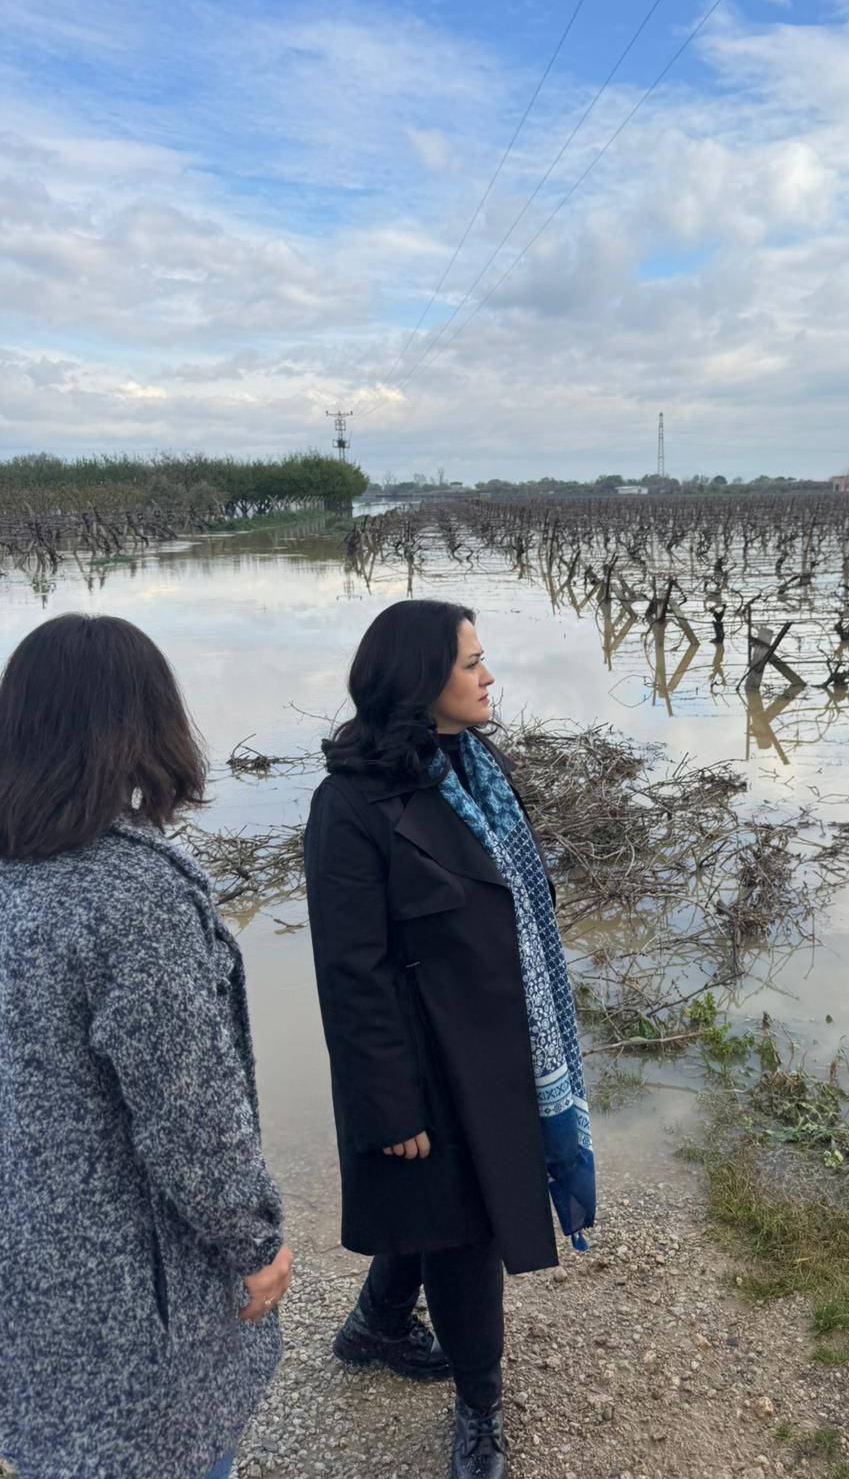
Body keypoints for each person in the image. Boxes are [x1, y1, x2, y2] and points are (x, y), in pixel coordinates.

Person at [304, 598, 595, 1479]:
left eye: (483, 659)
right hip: (428, 1066)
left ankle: (378, 1322)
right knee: (464, 1229)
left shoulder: (473, 769)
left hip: (497, 1049)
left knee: (437, 1206)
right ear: (421, 678)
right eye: (471, 662)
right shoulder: (349, 804)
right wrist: (390, 1105)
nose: (488, 676)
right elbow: (350, 973)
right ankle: (479, 1409)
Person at [0, 614, 293, 1479]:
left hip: (26, 1275)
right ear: (145, 725)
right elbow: (191, 1119)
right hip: (137, 1308)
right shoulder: (135, 899)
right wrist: (255, 1244)